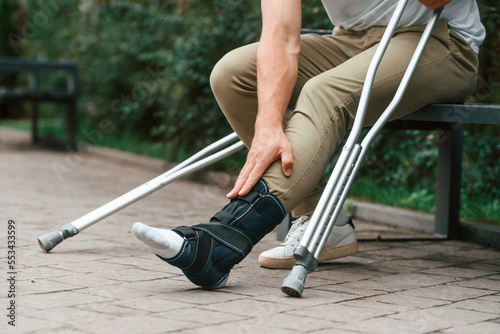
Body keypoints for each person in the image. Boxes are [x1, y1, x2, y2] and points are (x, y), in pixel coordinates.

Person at [133, 0, 485, 289]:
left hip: (440, 41)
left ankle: (223, 240)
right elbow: (281, 37)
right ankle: (321, 219)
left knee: (324, 92)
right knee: (233, 74)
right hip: (352, 41)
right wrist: (268, 124)